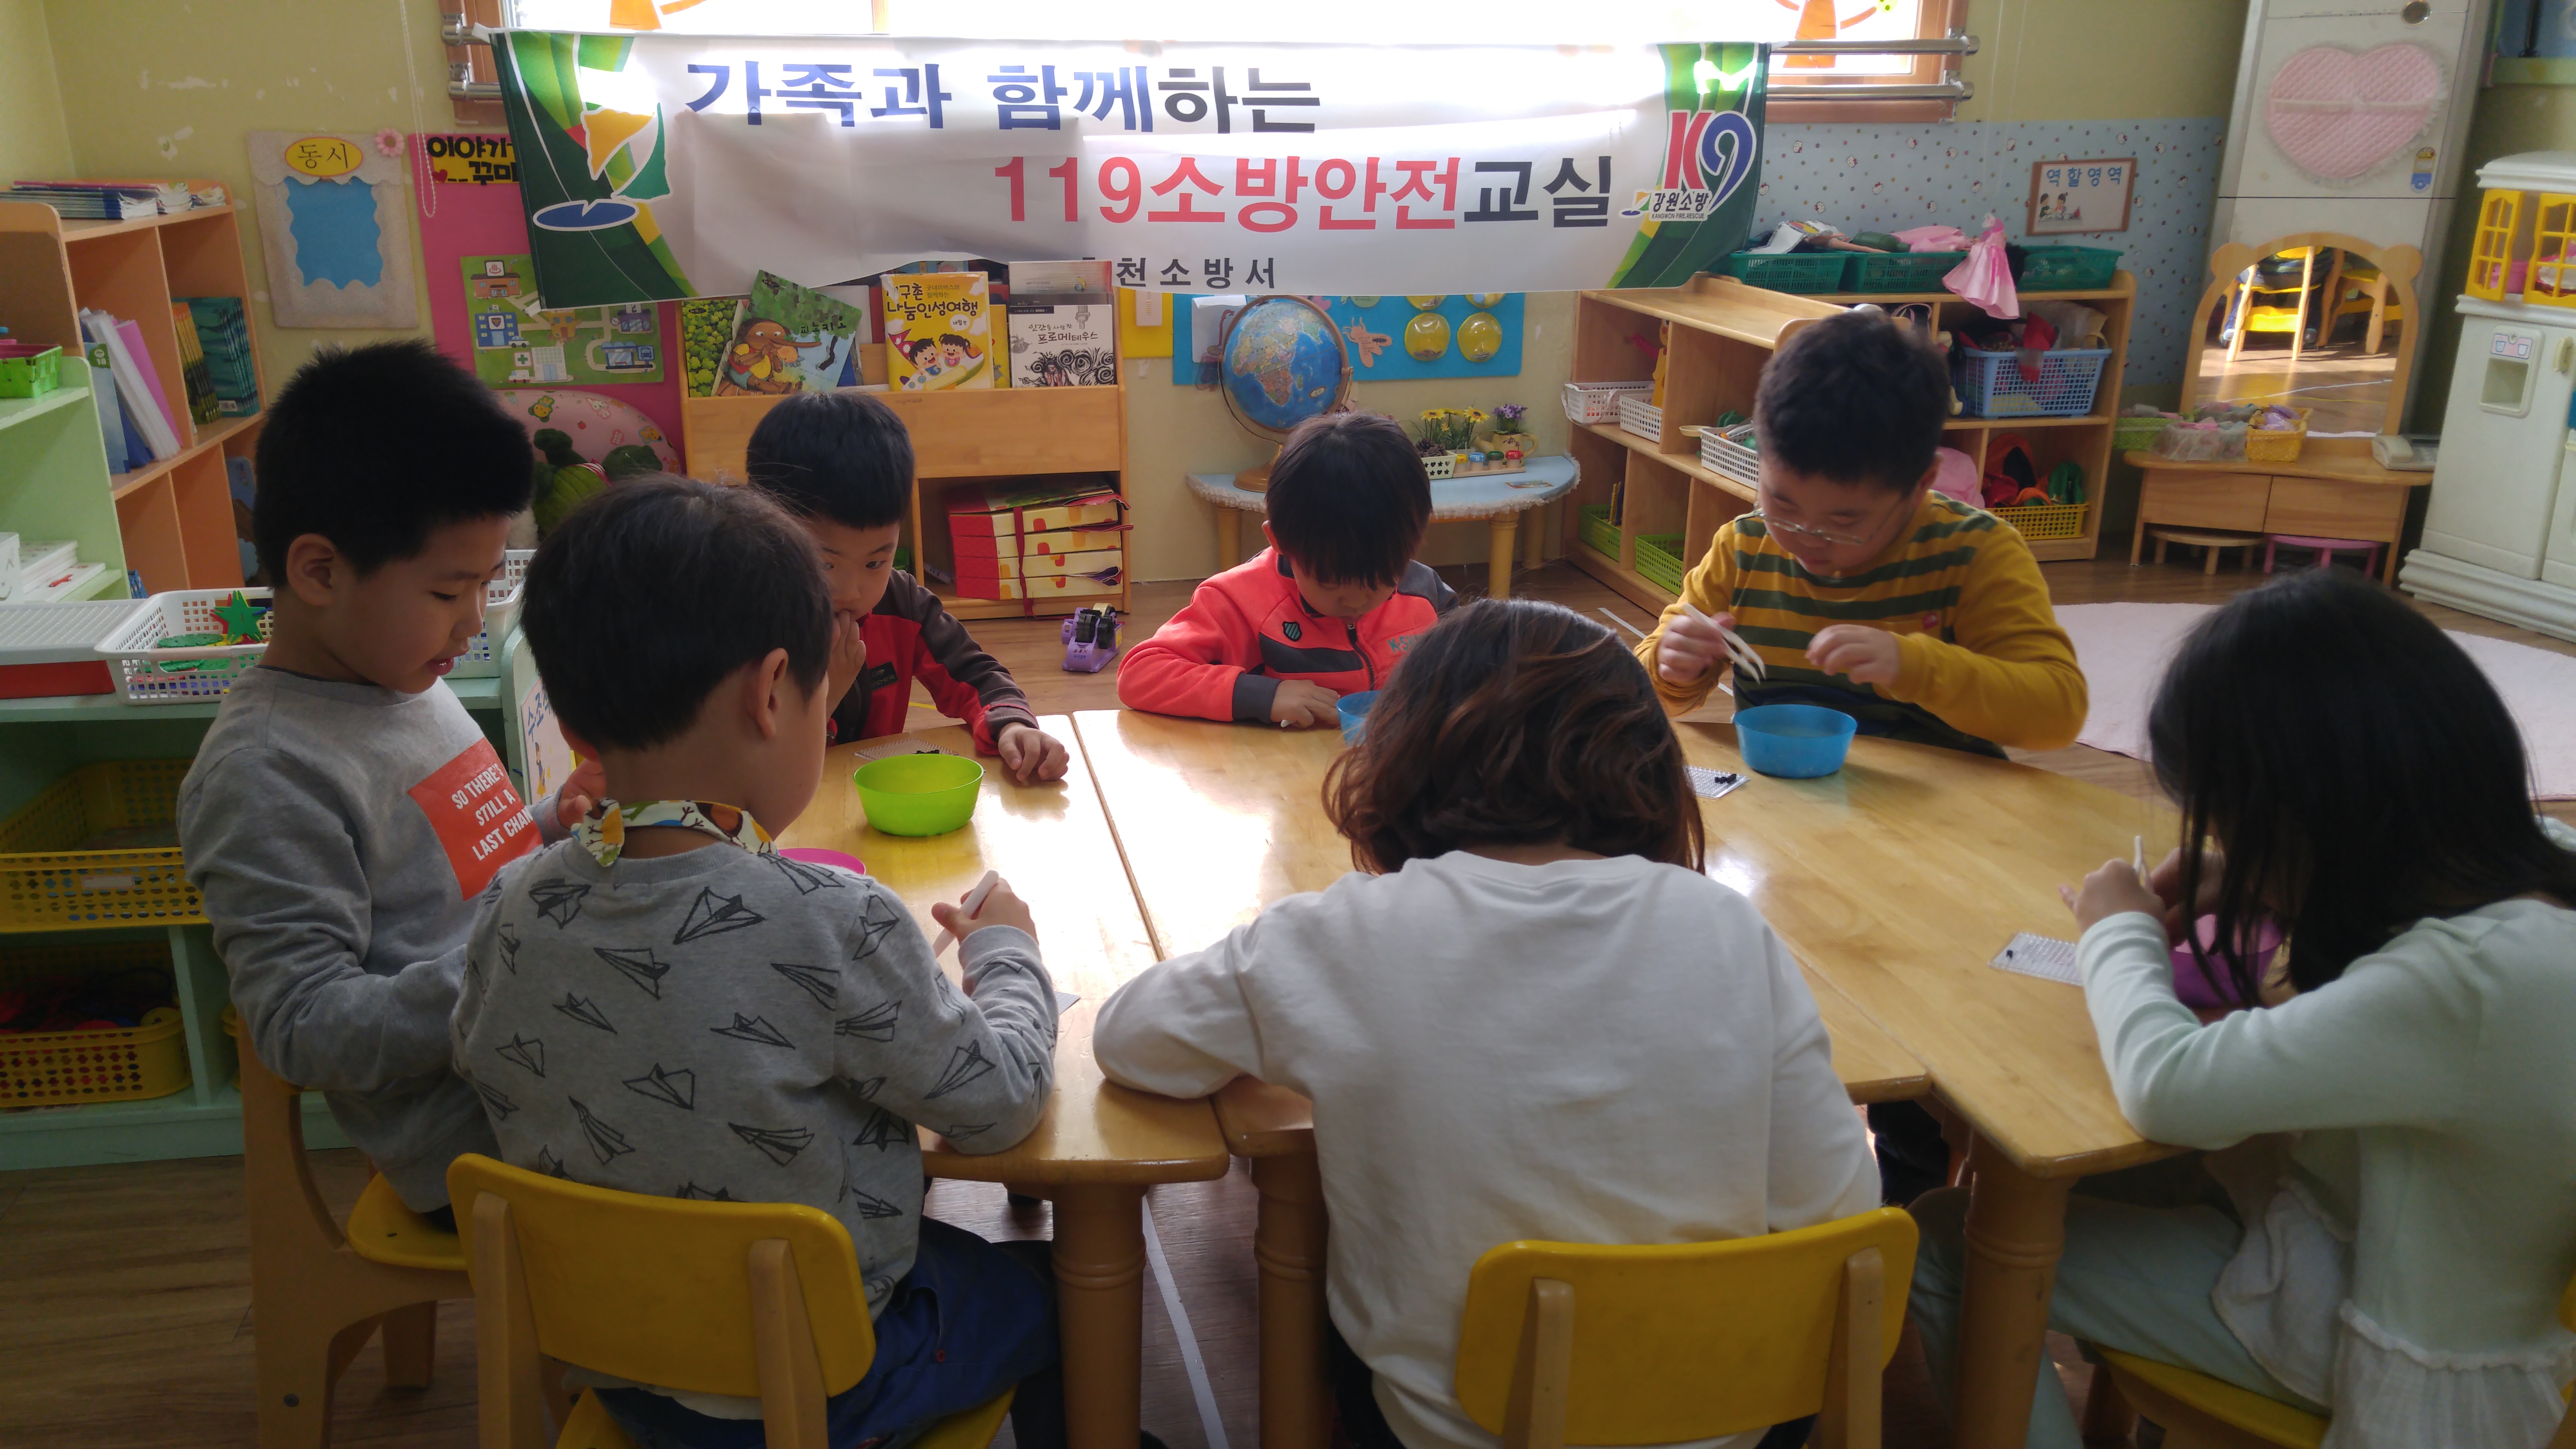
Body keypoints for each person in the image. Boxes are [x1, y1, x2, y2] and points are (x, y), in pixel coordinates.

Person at [1094, 599, 1877, 1449]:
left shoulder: (1343, 934)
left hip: (1452, 1430)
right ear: (1649, 771)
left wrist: (1296, 1033)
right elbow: (1839, 1207)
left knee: (1329, 1295)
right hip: (1729, 1420)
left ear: (1400, 762)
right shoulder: (1725, 924)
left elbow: (1129, 1039)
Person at [455, 476, 1072, 1449]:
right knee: (1054, 1287)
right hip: (823, 1375)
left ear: (572, 727)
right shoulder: (835, 921)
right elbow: (1000, 1104)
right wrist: (1004, 952)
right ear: (772, 692)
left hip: (618, 1363)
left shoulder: (509, 905)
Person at [1910, 570, 2576, 1449]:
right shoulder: (2539, 870)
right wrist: (2257, 882)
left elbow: (2167, 1088)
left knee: (1948, 1242)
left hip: (2378, 1334)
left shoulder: (2465, 983)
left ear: (2305, 821)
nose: (2221, 843)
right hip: (2425, 1267)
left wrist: (2117, 932)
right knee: (2118, 1176)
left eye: (2230, 827)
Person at [1638, 307, 2088, 1207]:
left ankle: (1912, 1194)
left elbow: (2056, 707)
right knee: (1754, 1017)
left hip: (1935, 852)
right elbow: (1653, 688)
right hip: (1781, 848)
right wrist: (1674, 666)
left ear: (1919, 486)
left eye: (1845, 522)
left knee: (1924, 1032)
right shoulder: (1745, 547)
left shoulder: (1974, 554)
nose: (1808, 539)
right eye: (1783, 502)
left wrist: (1917, 664)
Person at [177, 340, 587, 1226]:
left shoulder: (401, 674)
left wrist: (555, 821)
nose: (472, 621)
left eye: (485, 584)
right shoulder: (265, 771)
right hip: (477, 1143)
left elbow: (455, 873)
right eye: (447, 592)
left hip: (546, 1058)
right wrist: (513, 968)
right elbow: (299, 1027)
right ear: (320, 571)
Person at [743, 390, 1069, 783]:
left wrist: (1013, 725)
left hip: (876, 799)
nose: (851, 591)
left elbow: (975, 674)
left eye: (875, 563)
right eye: (824, 563)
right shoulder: (751, 621)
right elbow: (749, 765)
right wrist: (823, 695)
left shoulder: (903, 605)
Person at [1118, 411, 1456, 727]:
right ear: (1279, 541)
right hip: (1278, 765)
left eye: (1381, 579)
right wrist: (1262, 696)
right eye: (1329, 583)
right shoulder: (1240, 602)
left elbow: (1467, 663)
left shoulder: (1424, 591)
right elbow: (1141, 674)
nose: (1355, 601)